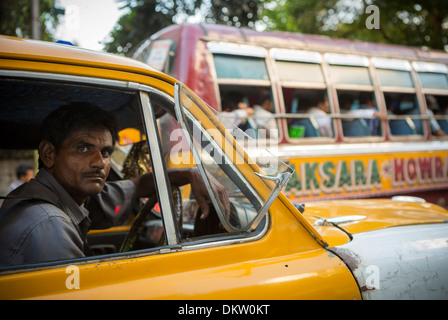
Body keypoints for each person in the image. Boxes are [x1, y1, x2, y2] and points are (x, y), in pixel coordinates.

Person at [0, 102, 228, 266]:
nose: (100, 163)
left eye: (106, 152)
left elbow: (136, 187)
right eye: (83, 148)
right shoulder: (49, 224)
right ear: (49, 154)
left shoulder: (65, 199)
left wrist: (189, 173)